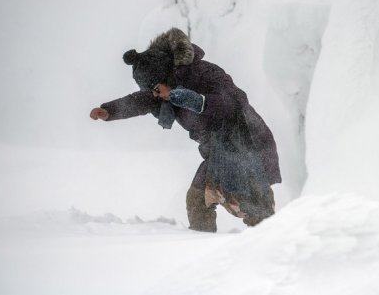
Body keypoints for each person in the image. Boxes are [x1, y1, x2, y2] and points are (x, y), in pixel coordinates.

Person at [89, 28, 281, 232]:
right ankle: (200, 248)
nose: (154, 95)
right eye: (150, 91)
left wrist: (185, 97)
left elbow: (232, 103)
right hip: (217, 154)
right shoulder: (162, 93)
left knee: (258, 212)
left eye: (155, 89)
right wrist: (109, 111)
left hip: (246, 147)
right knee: (197, 199)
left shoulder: (204, 73)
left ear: (166, 74)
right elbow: (139, 101)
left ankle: (277, 251)